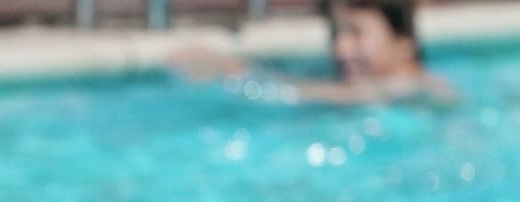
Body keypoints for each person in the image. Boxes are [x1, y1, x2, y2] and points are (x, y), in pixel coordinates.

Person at [173, 0, 453, 106]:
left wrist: (241, 74)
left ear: (404, 42)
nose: (340, 49)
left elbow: (363, 95)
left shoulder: (418, 89)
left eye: (356, 33)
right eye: (335, 34)